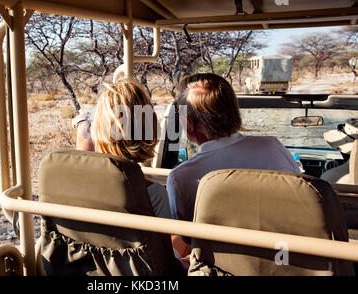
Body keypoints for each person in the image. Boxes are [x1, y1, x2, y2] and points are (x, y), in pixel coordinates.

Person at [167, 73, 301, 256]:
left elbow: (188, 238)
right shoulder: (273, 147)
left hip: (221, 264)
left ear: (189, 123)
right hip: (285, 258)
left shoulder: (182, 176)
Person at [72, 78, 172, 219]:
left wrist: (83, 126)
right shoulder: (154, 195)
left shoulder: (76, 185)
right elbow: (167, 240)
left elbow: (83, 154)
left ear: (98, 129)